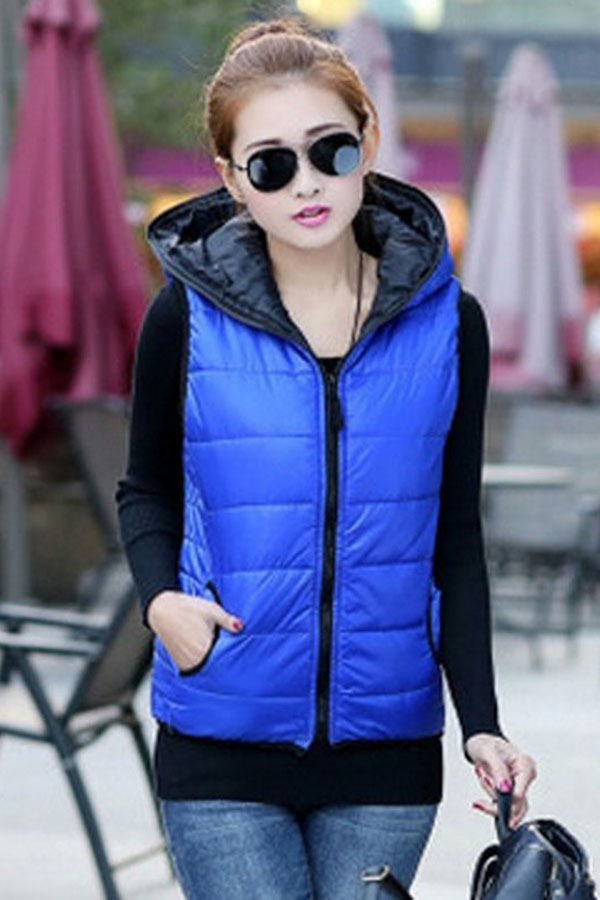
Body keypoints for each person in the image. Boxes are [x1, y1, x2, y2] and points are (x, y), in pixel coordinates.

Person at [117, 16, 536, 900]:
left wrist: (482, 722)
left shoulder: (450, 327)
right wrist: (161, 604)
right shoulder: (183, 320)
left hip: (386, 758)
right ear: (232, 179)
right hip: (220, 742)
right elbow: (146, 488)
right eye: (271, 164)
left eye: (330, 151)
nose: (306, 183)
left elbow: (455, 540)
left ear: (368, 142)